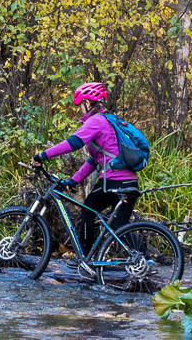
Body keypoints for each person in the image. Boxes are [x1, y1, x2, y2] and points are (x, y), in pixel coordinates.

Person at [31, 81, 139, 257]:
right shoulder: (108, 121)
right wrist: (74, 180)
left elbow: (73, 143)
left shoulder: (96, 121)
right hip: (129, 181)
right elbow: (94, 161)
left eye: (80, 105)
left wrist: (43, 155)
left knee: (88, 210)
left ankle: (85, 258)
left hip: (113, 180)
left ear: (88, 103)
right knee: (120, 228)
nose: (80, 109)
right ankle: (147, 262)